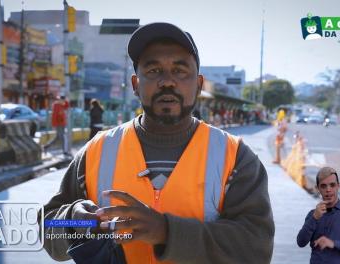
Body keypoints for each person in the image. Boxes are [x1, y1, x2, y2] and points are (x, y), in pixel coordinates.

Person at [40, 22, 274, 263]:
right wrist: (74, 221)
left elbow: (256, 248)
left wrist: (166, 231)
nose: (167, 81)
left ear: (199, 84)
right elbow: (47, 226)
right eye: (153, 71)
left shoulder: (235, 157)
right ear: (135, 84)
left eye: (180, 70)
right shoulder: (97, 151)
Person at [297, 167, 340, 263]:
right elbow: (301, 242)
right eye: (323, 186)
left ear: (338, 186)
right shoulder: (312, 214)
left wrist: (333, 243)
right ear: (318, 188)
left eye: (332, 185)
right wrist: (314, 218)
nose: (328, 190)